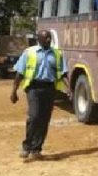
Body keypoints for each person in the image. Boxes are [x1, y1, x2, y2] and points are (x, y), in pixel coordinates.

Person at [10, 30, 70, 159]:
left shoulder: (57, 54)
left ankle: (36, 149)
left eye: (50, 37)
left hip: (49, 89)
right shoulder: (29, 52)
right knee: (34, 116)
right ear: (39, 39)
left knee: (44, 119)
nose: (48, 40)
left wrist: (69, 88)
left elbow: (63, 73)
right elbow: (20, 72)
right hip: (33, 88)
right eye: (46, 37)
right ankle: (27, 147)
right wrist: (14, 91)